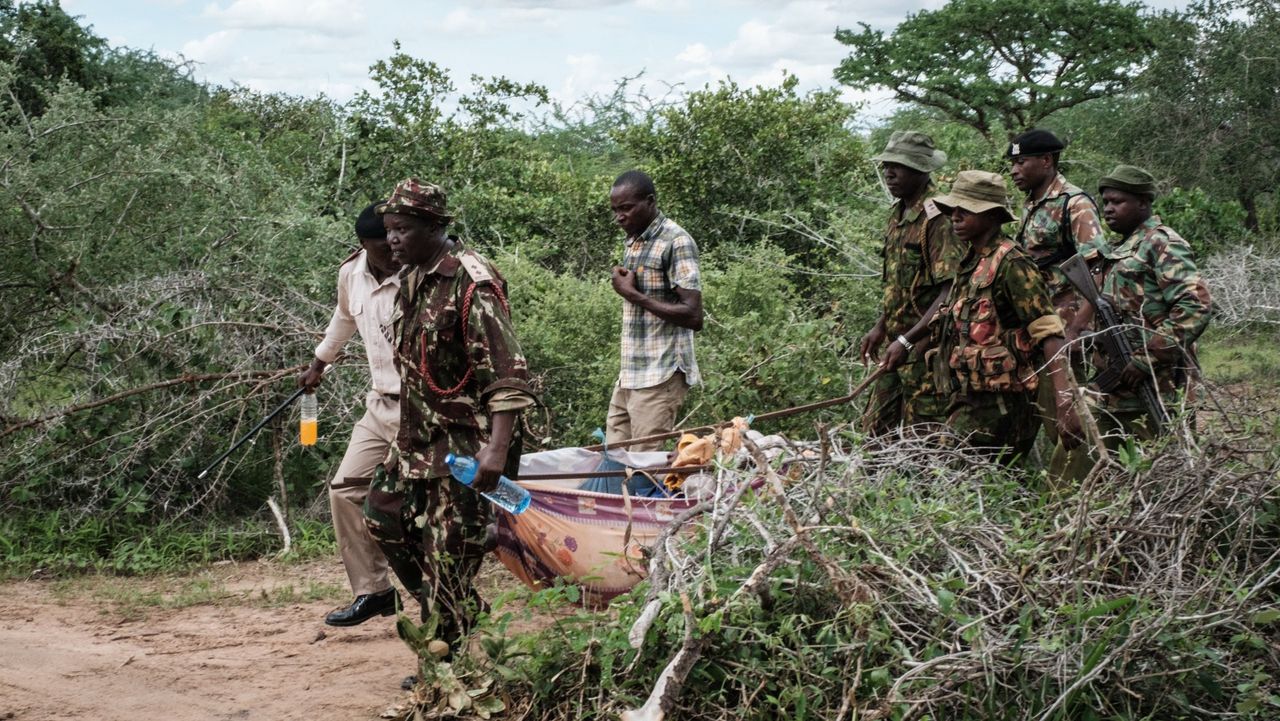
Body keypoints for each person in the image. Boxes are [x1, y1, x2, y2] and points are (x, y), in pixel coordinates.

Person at [363, 178, 535, 658]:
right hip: (417, 436)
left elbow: (507, 373)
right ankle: (457, 607)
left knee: (450, 557)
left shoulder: (471, 281)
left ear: (434, 226)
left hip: (464, 443)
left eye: (402, 229)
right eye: (389, 229)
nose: (392, 239)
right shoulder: (414, 275)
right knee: (381, 517)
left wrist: (497, 450)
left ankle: (443, 664)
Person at [896, 170, 1082, 460]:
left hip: (1002, 403)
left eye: (966, 211)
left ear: (993, 216)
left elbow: (1049, 333)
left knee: (953, 474)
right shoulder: (971, 261)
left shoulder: (1012, 264)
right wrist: (907, 345)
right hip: (969, 397)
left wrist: (1064, 400)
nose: (955, 217)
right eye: (953, 210)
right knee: (986, 484)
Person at [299, 201, 400, 627]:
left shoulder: (420, 274)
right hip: (381, 404)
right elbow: (343, 318)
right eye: (384, 243)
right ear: (364, 245)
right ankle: (373, 591)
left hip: (426, 408)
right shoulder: (351, 274)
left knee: (409, 504)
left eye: (398, 237)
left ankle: (449, 600)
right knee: (345, 490)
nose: (394, 249)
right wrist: (318, 364)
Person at [1089, 164, 1211, 437]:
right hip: (1117, 392)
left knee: (1165, 471)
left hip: (1159, 388)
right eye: (1106, 202)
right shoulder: (1119, 248)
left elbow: (1195, 306)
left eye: (1117, 202)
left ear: (1143, 202)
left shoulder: (1162, 243)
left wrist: (1148, 358)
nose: (1108, 209)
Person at [1007, 129, 1106, 457]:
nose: (1014, 170)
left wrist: (1077, 328)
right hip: (1036, 326)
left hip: (1064, 330)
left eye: (1021, 162)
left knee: (1068, 420)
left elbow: (1097, 270)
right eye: (1012, 163)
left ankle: (1086, 490)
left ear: (1046, 161)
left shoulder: (1074, 203)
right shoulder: (1033, 203)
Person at [861, 131, 964, 433]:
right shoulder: (898, 213)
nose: (889, 173)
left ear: (921, 170)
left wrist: (908, 340)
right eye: (887, 165)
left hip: (926, 350)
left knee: (923, 440)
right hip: (896, 345)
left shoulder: (939, 219)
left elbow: (951, 290)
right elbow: (899, 284)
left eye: (898, 166)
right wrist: (881, 326)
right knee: (873, 433)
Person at [605, 170, 703, 451]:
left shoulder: (676, 241)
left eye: (626, 208)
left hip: (660, 375)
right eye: (615, 210)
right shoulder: (635, 239)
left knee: (643, 471)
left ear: (650, 201)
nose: (619, 217)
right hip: (631, 373)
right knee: (613, 462)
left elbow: (693, 315)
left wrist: (633, 295)